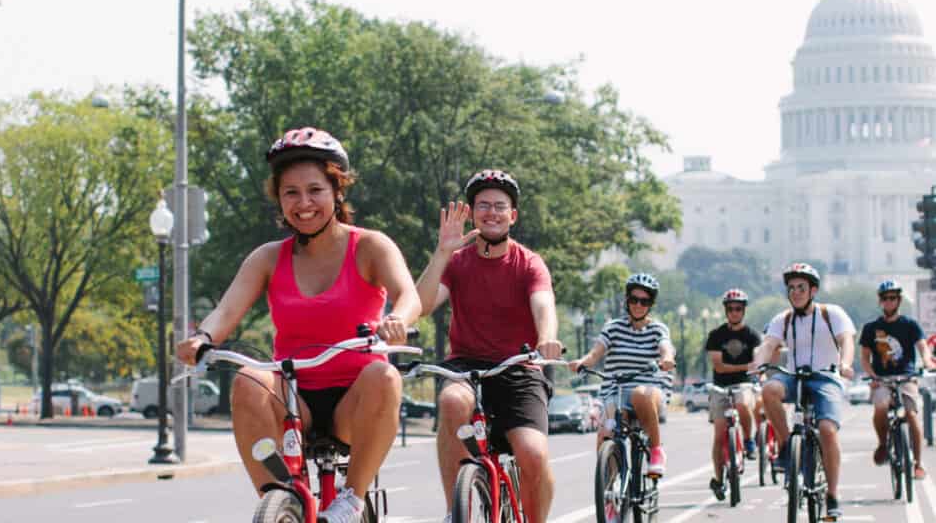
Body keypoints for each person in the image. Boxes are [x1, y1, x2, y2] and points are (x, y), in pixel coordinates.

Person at [175, 127, 421, 523]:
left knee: (385, 376)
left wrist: (398, 319)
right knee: (248, 379)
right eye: (291, 193)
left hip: (354, 399)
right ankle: (280, 501)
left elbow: (410, 296)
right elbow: (225, 311)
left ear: (337, 191)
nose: (303, 203)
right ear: (279, 199)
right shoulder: (268, 257)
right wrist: (202, 338)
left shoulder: (371, 246)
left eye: (315, 190)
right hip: (292, 397)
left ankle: (351, 500)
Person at [414, 170, 561, 523]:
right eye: (483, 206)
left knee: (533, 455)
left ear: (513, 215)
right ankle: (456, 511)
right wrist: (442, 251)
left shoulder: (529, 263)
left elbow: (544, 304)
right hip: (466, 366)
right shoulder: (458, 262)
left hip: (519, 368)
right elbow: (421, 304)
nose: (491, 213)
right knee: (451, 401)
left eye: (500, 206)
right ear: (472, 212)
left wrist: (546, 338)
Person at [753, 262, 855, 520]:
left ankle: (832, 496)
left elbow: (846, 340)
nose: (796, 292)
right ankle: (788, 445)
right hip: (793, 377)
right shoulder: (782, 319)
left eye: (801, 287)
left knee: (828, 431)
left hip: (826, 378)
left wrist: (845, 363)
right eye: (791, 288)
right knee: (769, 390)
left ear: (813, 290)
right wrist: (760, 365)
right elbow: (769, 344)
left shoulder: (832, 313)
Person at [568, 273, 674, 477]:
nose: (638, 305)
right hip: (616, 392)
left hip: (650, 392)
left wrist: (667, 358)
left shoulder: (657, 329)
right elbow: (596, 352)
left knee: (640, 393)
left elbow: (665, 347)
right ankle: (610, 492)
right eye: (634, 299)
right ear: (627, 300)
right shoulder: (613, 328)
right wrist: (582, 362)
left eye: (644, 301)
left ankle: (656, 451)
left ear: (651, 304)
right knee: (605, 434)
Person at [859, 278, 934, 479]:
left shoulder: (910, 324)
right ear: (880, 301)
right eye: (885, 298)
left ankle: (918, 463)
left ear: (899, 300)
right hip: (881, 378)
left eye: (893, 298)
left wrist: (927, 361)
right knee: (881, 405)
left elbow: (922, 346)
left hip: (906, 376)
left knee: (911, 414)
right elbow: (865, 358)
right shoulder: (871, 328)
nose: (889, 302)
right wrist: (871, 376)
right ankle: (883, 443)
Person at [704, 288, 762, 500]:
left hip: (744, 385)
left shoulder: (753, 335)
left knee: (744, 404)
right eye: (731, 308)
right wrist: (746, 366)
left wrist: (749, 367)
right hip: (720, 388)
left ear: (744, 310)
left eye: (738, 308)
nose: (734, 312)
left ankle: (748, 440)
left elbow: (756, 361)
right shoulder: (716, 335)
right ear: (726, 310)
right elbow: (718, 367)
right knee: (719, 436)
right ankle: (719, 480)